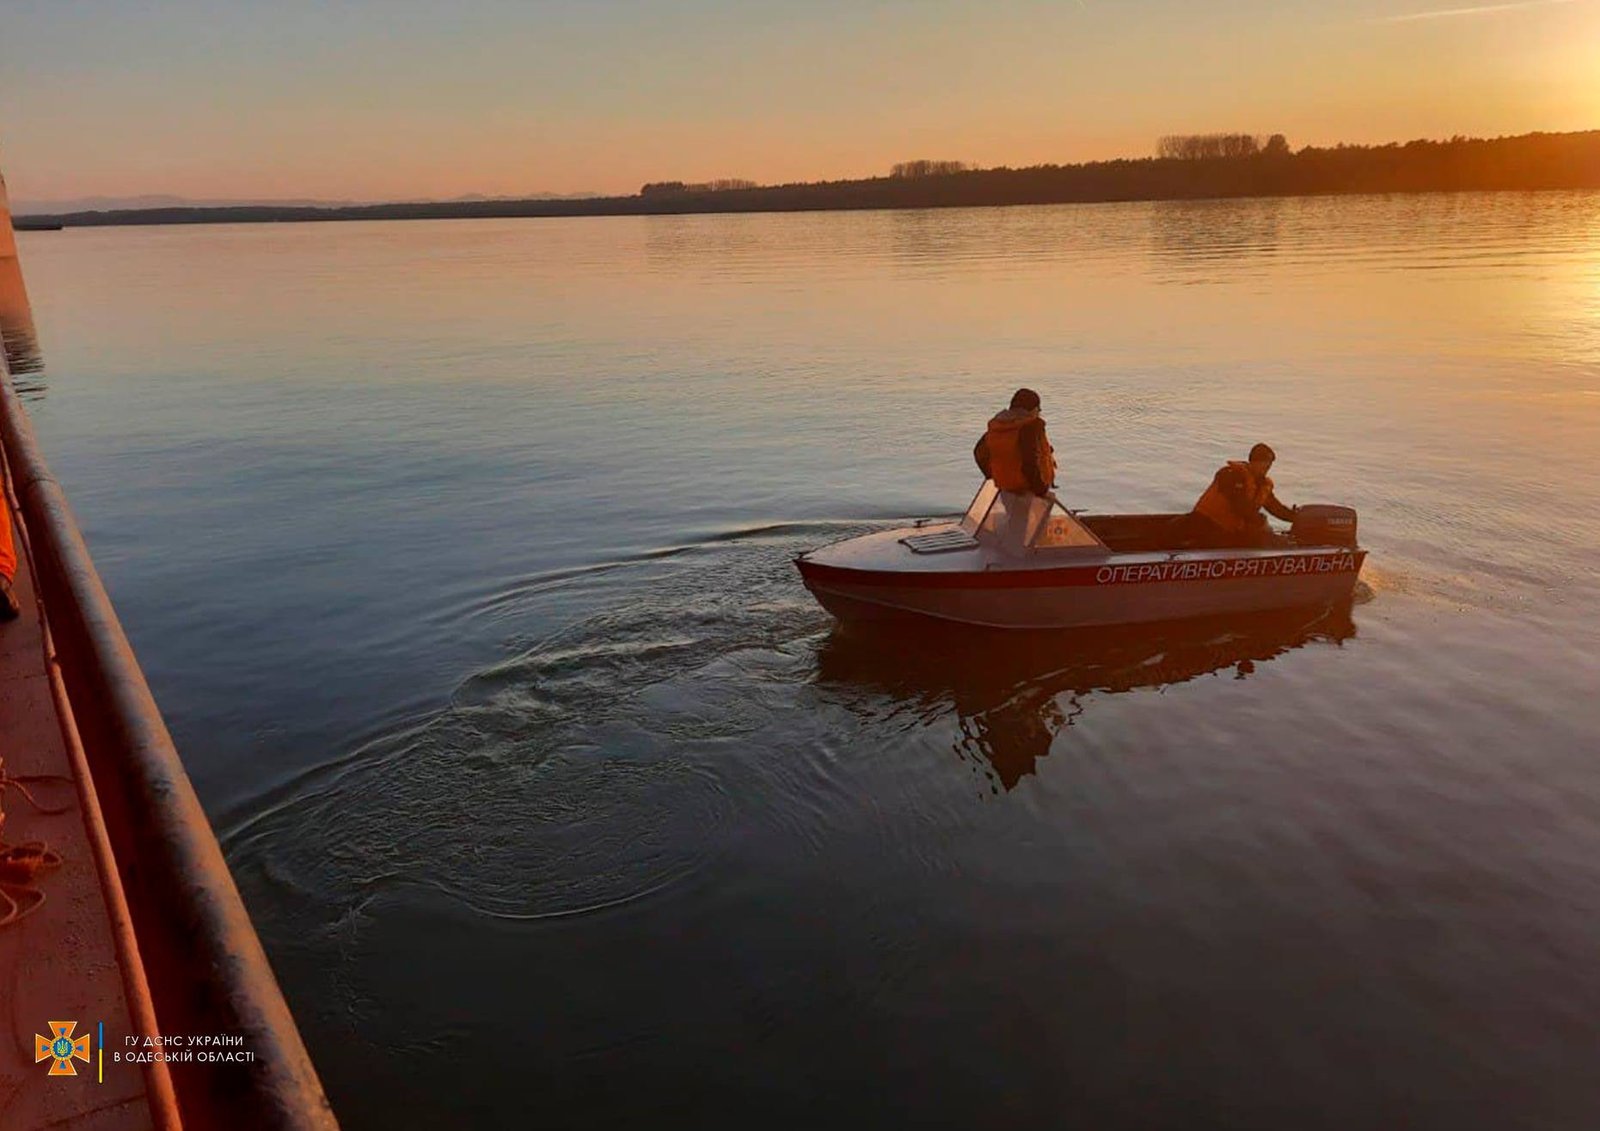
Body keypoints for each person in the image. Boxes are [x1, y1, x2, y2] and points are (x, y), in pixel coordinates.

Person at [973, 388, 1056, 554]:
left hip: (1006, 488)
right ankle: (1016, 561)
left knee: (1016, 524)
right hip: (1027, 489)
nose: (1039, 413)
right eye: (1038, 409)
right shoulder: (1031, 426)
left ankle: (1013, 550)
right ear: (1032, 409)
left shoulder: (999, 425)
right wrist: (1040, 490)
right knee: (1025, 528)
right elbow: (1030, 462)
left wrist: (994, 475)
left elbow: (979, 452)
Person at [1190, 442, 1298, 548]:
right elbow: (1240, 507)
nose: (1267, 468)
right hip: (1207, 523)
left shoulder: (1263, 485)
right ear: (1253, 461)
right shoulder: (1231, 475)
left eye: (1269, 465)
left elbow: (1275, 508)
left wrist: (1297, 518)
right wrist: (1260, 521)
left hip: (1230, 531)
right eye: (1264, 463)